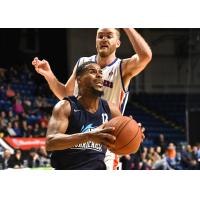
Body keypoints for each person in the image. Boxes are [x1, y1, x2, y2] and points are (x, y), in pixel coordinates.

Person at [32, 28, 152, 170]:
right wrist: (49, 75)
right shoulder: (84, 63)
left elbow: (145, 55)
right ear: (96, 41)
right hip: (78, 131)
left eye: (109, 36)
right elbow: (66, 94)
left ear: (118, 43)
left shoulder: (122, 67)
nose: (104, 39)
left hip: (106, 140)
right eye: (100, 36)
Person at [46, 61, 122, 169]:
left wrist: (136, 133)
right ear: (79, 79)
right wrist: (88, 136)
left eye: (100, 72)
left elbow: (123, 137)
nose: (99, 75)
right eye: (92, 72)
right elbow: (50, 143)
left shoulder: (110, 109)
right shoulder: (65, 107)